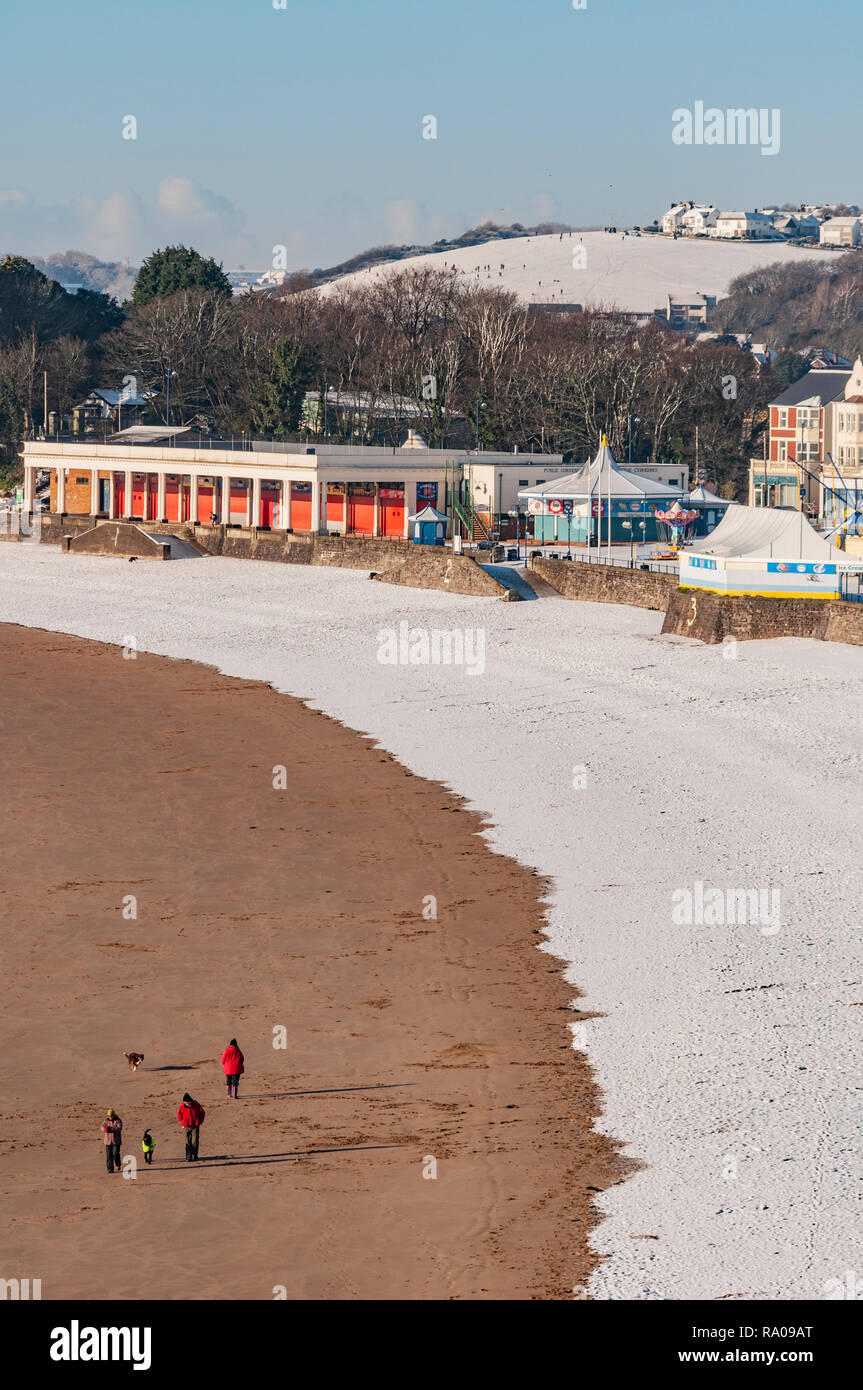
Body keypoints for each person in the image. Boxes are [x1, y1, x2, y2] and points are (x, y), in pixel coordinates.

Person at [177, 1093, 205, 1161]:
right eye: (185, 1103)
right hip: (186, 1126)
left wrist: (199, 1122)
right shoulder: (182, 1106)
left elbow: (202, 1113)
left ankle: (195, 1154)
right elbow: (179, 1115)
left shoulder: (196, 1104)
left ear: (190, 1100)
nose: (186, 1104)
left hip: (195, 1126)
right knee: (187, 1141)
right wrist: (183, 1122)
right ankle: (188, 1156)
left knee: (195, 1141)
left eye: (187, 1102)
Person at [102, 1108, 122, 1173]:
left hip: (116, 1141)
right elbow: (102, 1127)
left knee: (115, 1154)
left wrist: (111, 1129)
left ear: (114, 1115)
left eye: (111, 1116)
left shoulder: (118, 1120)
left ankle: (118, 1164)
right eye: (109, 1116)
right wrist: (105, 1129)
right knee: (109, 1155)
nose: (110, 1117)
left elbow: (119, 1128)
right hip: (107, 1141)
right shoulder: (105, 1121)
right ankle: (110, 1168)